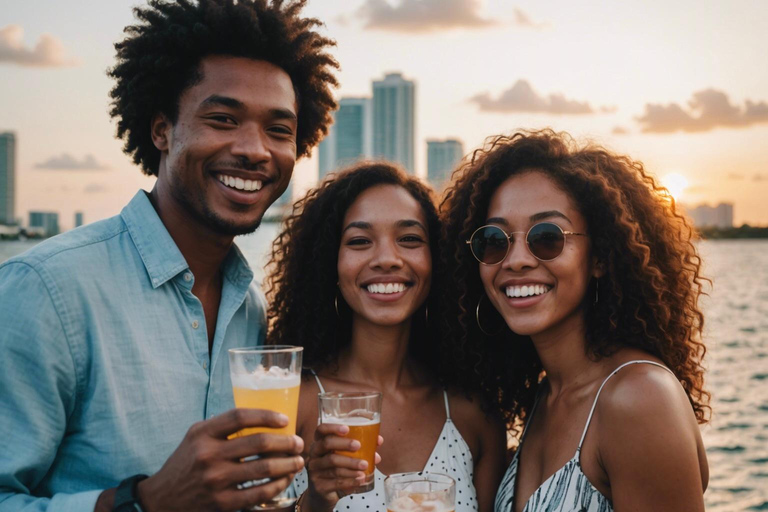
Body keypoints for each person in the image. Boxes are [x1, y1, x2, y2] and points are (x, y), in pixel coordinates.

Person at [0, 1, 338, 511]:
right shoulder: (47, 290)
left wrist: (314, 497)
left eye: (279, 129)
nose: (254, 149)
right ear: (161, 130)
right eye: (223, 118)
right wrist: (147, 501)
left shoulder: (249, 307)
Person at [439, 130, 710, 512]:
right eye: (495, 240)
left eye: (546, 236)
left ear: (599, 257)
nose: (516, 259)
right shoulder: (547, 397)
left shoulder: (639, 398)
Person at [264, 162, 507, 512]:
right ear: (330, 264)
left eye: (409, 239)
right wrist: (316, 500)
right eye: (360, 241)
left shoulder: (474, 413)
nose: (387, 259)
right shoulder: (292, 402)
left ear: (436, 259)